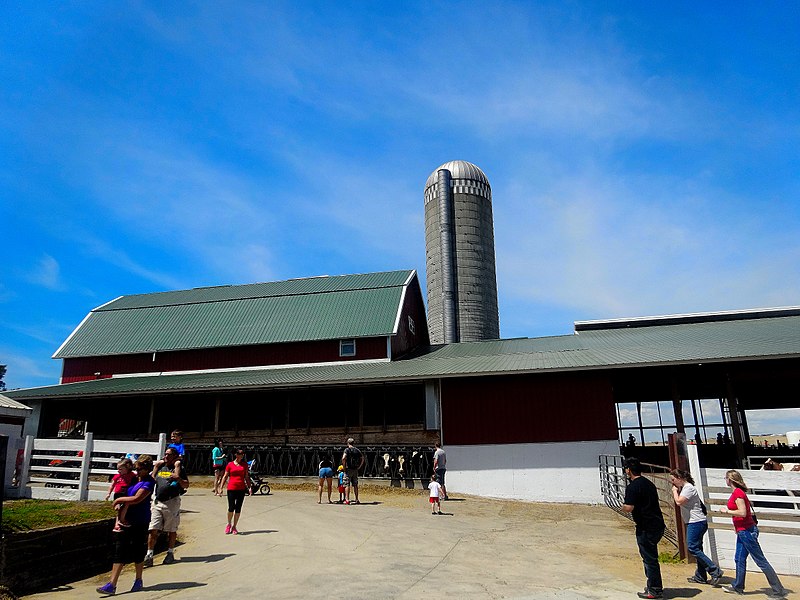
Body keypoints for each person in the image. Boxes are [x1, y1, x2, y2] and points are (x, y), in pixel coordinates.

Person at [719, 470, 786, 597]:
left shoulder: (738, 493)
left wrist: (726, 511)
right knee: (739, 558)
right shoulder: (738, 492)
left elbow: (742, 513)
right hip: (743, 530)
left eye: (726, 478)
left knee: (760, 561)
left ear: (730, 480)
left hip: (746, 532)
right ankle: (738, 586)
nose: (725, 481)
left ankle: (778, 590)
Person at [96, 455, 156, 595]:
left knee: (137, 550)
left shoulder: (149, 482)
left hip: (140, 520)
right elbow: (122, 490)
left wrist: (119, 501)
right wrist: (120, 503)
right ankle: (112, 584)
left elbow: (137, 498)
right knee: (119, 550)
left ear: (147, 469)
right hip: (126, 519)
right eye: (136, 468)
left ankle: (138, 579)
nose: (137, 471)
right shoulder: (134, 479)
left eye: (140, 469)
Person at [669, 469, 723, 585]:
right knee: (697, 548)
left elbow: (679, 502)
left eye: (673, 480)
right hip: (694, 521)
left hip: (696, 522)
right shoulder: (685, 488)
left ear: (680, 478)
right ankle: (701, 575)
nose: (672, 483)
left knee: (692, 547)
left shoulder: (688, 488)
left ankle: (714, 570)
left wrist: (674, 491)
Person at [622, 457, 665, 599]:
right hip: (657, 524)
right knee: (651, 557)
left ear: (628, 470)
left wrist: (623, 507)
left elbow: (628, 508)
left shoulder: (633, 487)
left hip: (645, 527)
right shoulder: (649, 484)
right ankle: (654, 585)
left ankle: (654, 589)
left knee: (649, 559)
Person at [144, 447, 189, 567]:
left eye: (168, 455)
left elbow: (186, 485)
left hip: (171, 502)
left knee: (171, 529)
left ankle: (170, 552)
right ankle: (149, 554)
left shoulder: (179, 468)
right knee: (153, 528)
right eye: (165, 454)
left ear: (174, 456)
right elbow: (151, 480)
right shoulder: (160, 467)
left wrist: (178, 478)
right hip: (158, 502)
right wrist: (154, 468)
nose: (165, 456)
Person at [220, 448, 253, 534]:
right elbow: (225, 476)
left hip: (241, 489)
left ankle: (234, 526)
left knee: (238, 508)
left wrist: (249, 487)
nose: (241, 455)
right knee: (231, 508)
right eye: (240, 453)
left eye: (243, 454)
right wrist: (221, 488)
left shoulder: (244, 465)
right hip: (231, 488)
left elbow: (246, 477)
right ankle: (229, 524)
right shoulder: (230, 464)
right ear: (236, 454)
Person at [105, 458, 136, 532]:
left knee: (125, 506)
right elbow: (112, 485)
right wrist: (109, 493)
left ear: (127, 468)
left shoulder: (131, 475)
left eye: (121, 469)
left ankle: (120, 522)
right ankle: (119, 522)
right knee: (118, 509)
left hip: (125, 494)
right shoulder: (117, 476)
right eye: (118, 469)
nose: (118, 471)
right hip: (118, 494)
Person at [342, 438, 365, 505]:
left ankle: (347, 499)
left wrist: (344, 466)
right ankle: (357, 499)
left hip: (348, 469)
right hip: (355, 469)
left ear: (347, 443)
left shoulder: (347, 450)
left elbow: (343, 458)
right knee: (355, 484)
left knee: (347, 484)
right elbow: (362, 458)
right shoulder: (357, 450)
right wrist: (359, 466)